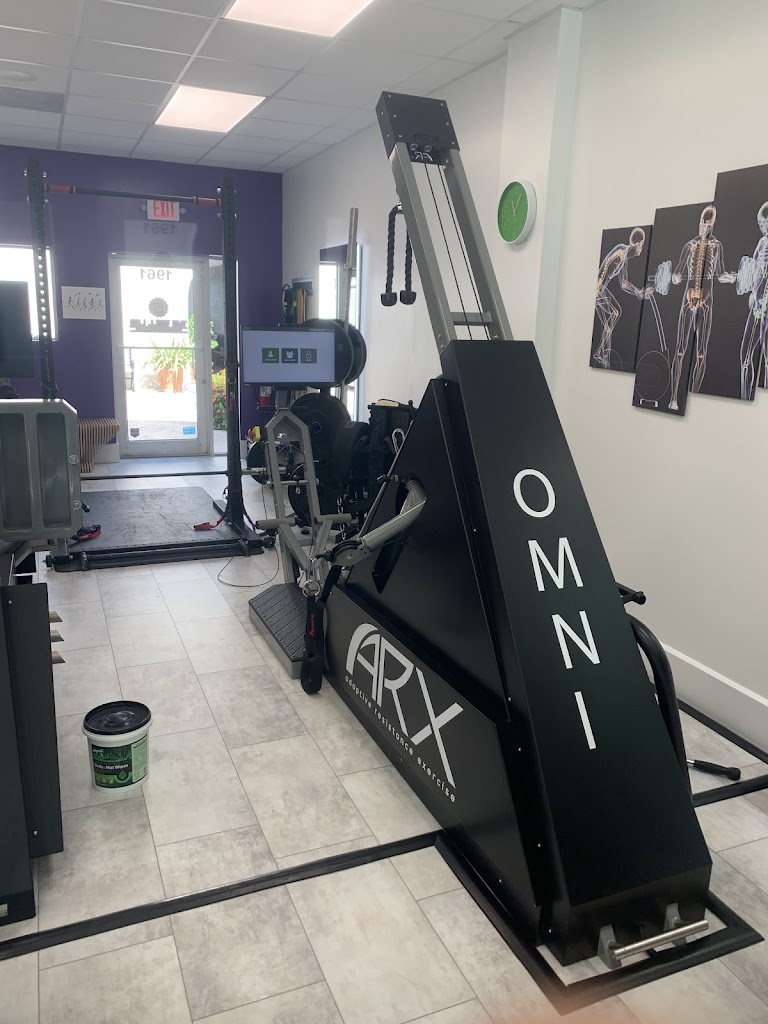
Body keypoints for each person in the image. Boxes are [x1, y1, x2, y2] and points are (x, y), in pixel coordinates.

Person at [668, 205, 735, 410]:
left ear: (713, 225)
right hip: (688, 297)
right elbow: (678, 272)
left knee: (701, 353)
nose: (705, 227)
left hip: (706, 299)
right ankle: (674, 398)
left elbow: (720, 273)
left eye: (708, 224)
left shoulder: (717, 245)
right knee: (680, 350)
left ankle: (694, 399)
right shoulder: (690, 246)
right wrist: (674, 277)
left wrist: (731, 278)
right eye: (703, 223)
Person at [593, 228, 652, 369]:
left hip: (600, 289)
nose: (641, 249)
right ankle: (601, 354)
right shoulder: (620, 253)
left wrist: (639, 292)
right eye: (641, 245)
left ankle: (601, 354)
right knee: (614, 313)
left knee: (611, 320)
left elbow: (624, 284)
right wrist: (598, 288)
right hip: (598, 289)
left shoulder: (624, 256)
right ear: (637, 244)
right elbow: (607, 264)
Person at [739, 203, 768, 400]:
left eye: (763, 223)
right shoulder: (762, 243)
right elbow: (756, 267)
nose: (761, 227)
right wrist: (752, 292)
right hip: (757, 304)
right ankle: (745, 396)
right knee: (745, 356)